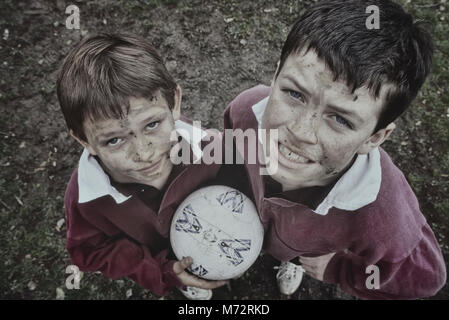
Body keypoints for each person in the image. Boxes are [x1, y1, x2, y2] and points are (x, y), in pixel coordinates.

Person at [222, 0, 446, 299]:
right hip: (254, 223)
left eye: (340, 119)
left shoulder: (382, 216)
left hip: (306, 247)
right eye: (294, 94)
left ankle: (290, 260)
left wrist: (339, 267)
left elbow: (426, 277)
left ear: (375, 137)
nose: (300, 133)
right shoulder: (244, 111)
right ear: (275, 76)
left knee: (291, 251)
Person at [56, 33, 226, 300]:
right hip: (161, 258)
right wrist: (158, 271)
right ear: (83, 140)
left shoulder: (208, 149)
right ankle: (183, 280)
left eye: (152, 125)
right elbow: (90, 251)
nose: (144, 154)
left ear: (174, 104)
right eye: (114, 140)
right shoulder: (85, 199)